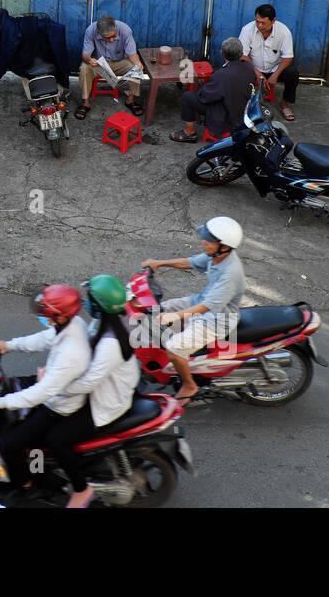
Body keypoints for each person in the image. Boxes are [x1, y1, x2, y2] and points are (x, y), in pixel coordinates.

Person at [0, 284, 92, 506]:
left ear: (60, 316)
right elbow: (44, 338)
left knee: (9, 444)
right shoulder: (72, 324)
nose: (43, 317)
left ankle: (27, 487)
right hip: (52, 386)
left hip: (57, 406)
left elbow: (40, 393)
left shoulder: (71, 353)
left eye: (47, 314)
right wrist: (9, 346)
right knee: (13, 386)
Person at [56, 274, 143, 508]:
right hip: (112, 389)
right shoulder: (113, 320)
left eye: (89, 299)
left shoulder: (110, 343)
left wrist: (57, 388)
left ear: (99, 305)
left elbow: (88, 383)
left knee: (56, 440)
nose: (85, 302)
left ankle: (80, 490)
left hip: (105, 403)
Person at [140, 216, 246, 405]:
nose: (204, 241)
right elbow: (188, 263)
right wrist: (158, 263)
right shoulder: (216, 256)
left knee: (175, 348)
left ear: (225, 246)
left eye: (209, 240)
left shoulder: (231, 273)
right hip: (201, 302)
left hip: (215, 319)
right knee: (156, 310)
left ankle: (189, 384)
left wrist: (175, 316)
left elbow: (206, 307)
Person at [170, 37, 258, 142]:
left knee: (187, 97)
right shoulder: (248, 67)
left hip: (228, 116)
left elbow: (205, 97)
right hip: (245, 111)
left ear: (222, 53)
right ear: (241, 53)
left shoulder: (222, 75)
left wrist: (203, 89)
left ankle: (189, 133)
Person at [76, 14, 144, 119]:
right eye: (107, 38)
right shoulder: (91, 31)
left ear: (115, 27)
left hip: (119, 61)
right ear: (99, 33)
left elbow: (132, 54)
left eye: (114, 36)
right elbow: (85, 54)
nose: (112, 40)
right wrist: (90, 60)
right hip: (100, 63)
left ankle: (130, 100)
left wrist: (138, 64)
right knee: (84, 68)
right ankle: (85, 103)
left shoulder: (125, 30)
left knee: (134, 68)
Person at [239, 3, 298, 120]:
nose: (259, 26)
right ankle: (242, 104)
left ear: (273, 20)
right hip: (253, 68)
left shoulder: (284, 32)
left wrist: (275, 75)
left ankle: (285, 103)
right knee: (237, 71)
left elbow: (288, 57)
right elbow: (242, 55)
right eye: (257, 21)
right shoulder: (247, 30)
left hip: (274, 69)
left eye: (263, 23)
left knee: (292, 73)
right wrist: (257, 73)